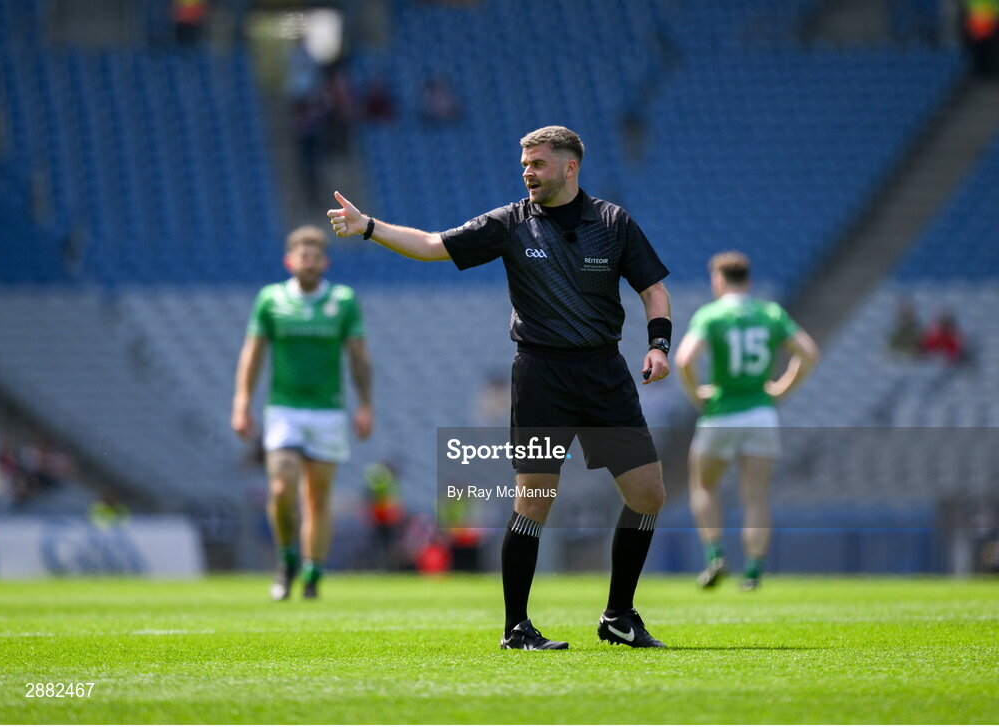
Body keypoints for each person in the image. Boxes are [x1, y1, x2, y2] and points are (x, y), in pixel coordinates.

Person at [327, 125, 673, 650]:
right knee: (534, 499)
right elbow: (432, 244)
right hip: (542, 375)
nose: (527, 173)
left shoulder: (612, 223)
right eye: (525, 165)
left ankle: (618, 615)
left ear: (569, 166)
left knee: (648, 494)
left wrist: (658, 346)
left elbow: (653, 289)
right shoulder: (510, 223)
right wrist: (369, 226)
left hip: (605, 373)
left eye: (537, 163)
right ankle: (517, 628)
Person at [232, 225, 372, 600]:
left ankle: (312, 573)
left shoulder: (343, 300)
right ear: (289, 261)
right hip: (284, 410)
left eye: (315, 257)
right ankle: (287, 559)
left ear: (324, 262)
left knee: (317, 497)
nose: (308, 263)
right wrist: (242, 402)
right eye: (302, 257)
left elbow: (358, 356)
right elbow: (253, 353)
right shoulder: (271, 299)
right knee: (280, 487)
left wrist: (365, 405)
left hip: (328, 412)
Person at [674, 251, 819, 591]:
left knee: (704, 486)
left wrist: (697, 394)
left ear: (719, 280)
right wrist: (782, 388)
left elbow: (683, 360)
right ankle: (753, 571)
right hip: (760, 413)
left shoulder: (711, 315)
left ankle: (715, 554)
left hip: (722, 412)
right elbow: (808, 353)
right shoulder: (770, 313)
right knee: (755, 497)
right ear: (748, 280)